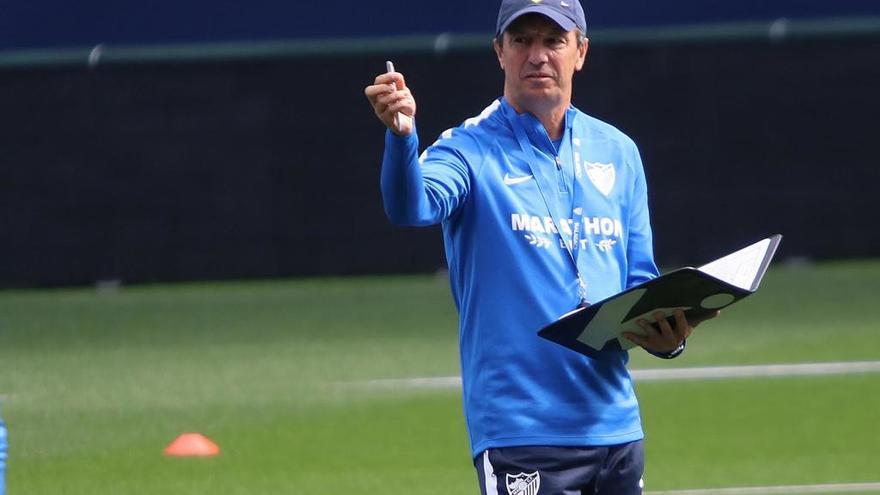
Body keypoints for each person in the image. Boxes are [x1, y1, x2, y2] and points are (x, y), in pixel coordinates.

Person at [365, 1, 716, 493]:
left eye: (553, 41)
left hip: (615, 429)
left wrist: (669, 336)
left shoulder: (618, 151)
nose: (537, 55)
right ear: (499, 52)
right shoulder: (468, 149)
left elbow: (639, 279)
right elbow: (413, 205)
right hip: (521, 434)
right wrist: (402, 138)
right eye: (522, 40)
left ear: (580, 52)